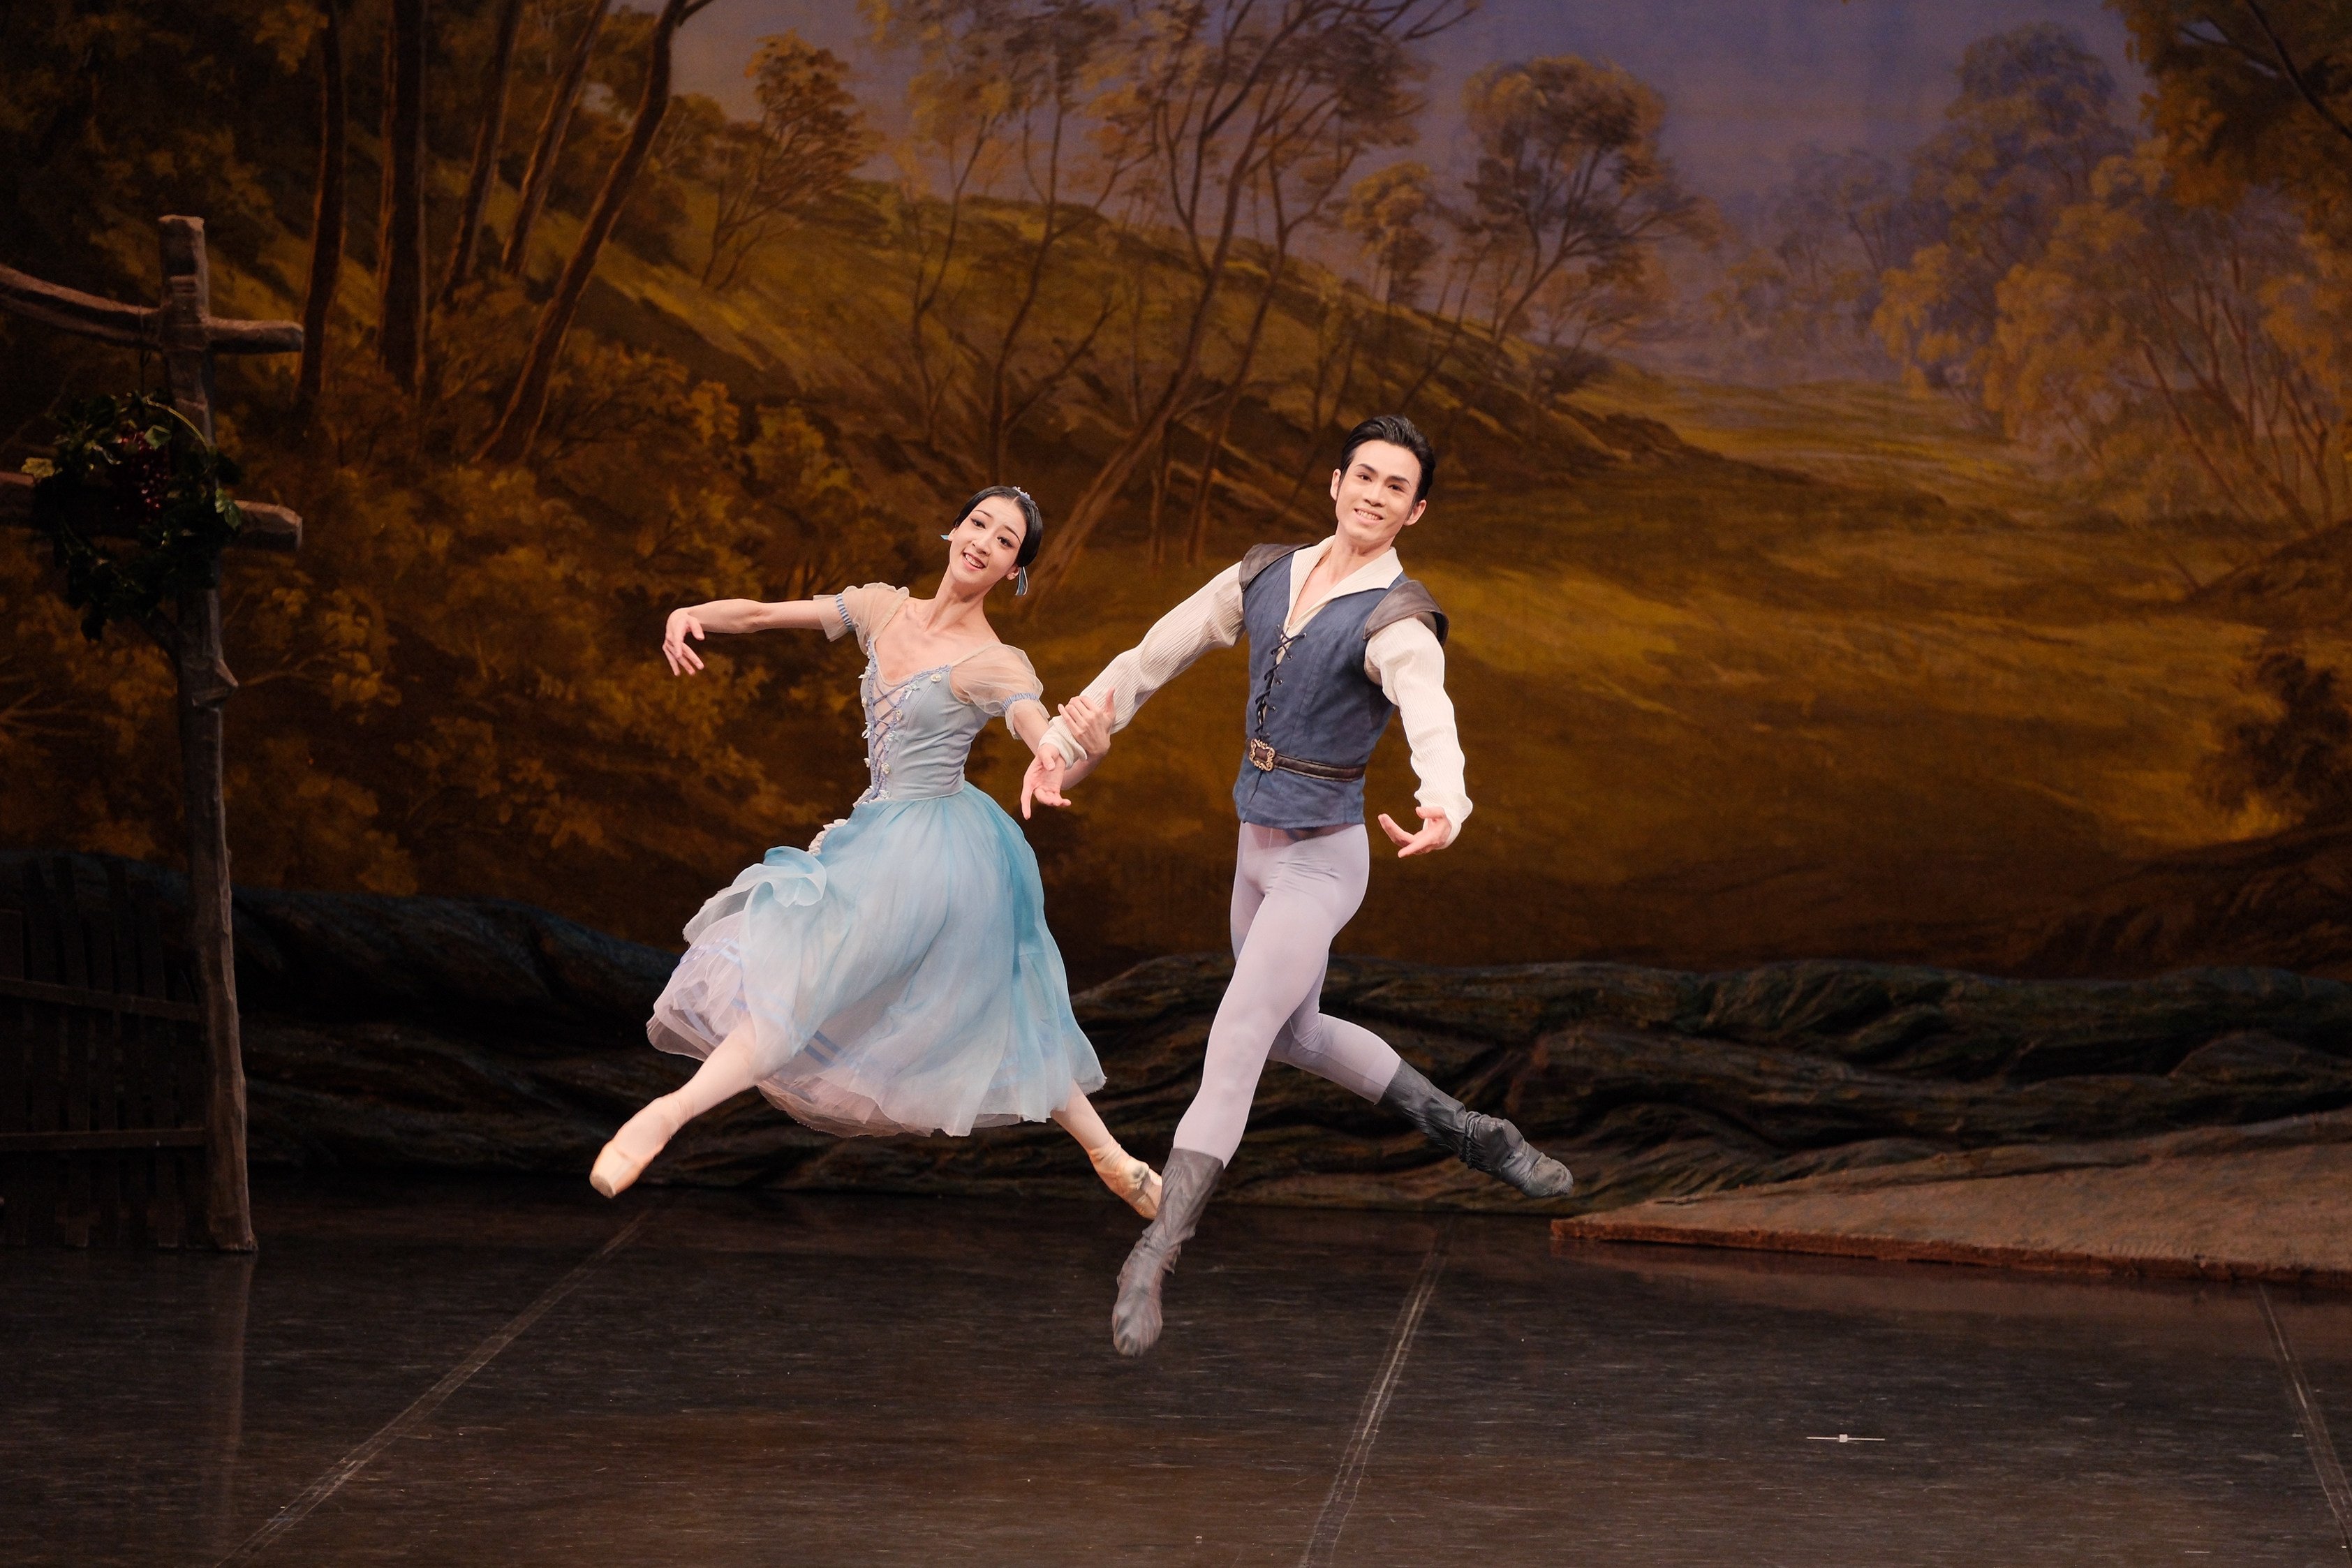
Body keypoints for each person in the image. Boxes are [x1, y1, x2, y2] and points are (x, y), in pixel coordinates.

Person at [1025, 414, 1574, 1356]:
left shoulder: (1395, 617)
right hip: (1256, 846)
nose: (1373, 493)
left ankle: (1155, 1251)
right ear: (1334, 482)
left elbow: (1428, 709)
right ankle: (1473, 1131)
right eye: (1363, 475)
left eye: (1394, 486)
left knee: (1239, 1031)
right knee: (1296, 1032)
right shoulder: (1263, 574)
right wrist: (1065, 743)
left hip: (1324, 860)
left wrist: (1446, 800)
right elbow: (1152, 656)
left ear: (1415, 510)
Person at [590, 485, 1164, 1219]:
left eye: (1007, 541)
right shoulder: (879, 607)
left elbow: (1043, 743)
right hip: (874, 829)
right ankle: (1112, 1156)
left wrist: (1084, 751)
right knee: (833, 979)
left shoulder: (997, 663)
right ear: (953, 529)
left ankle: (667, 1114)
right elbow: (765, 616)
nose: (985, 541)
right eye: (979, 523)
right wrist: (692, 614)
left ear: (1013, 572)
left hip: (943, 855)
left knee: (963, 996)